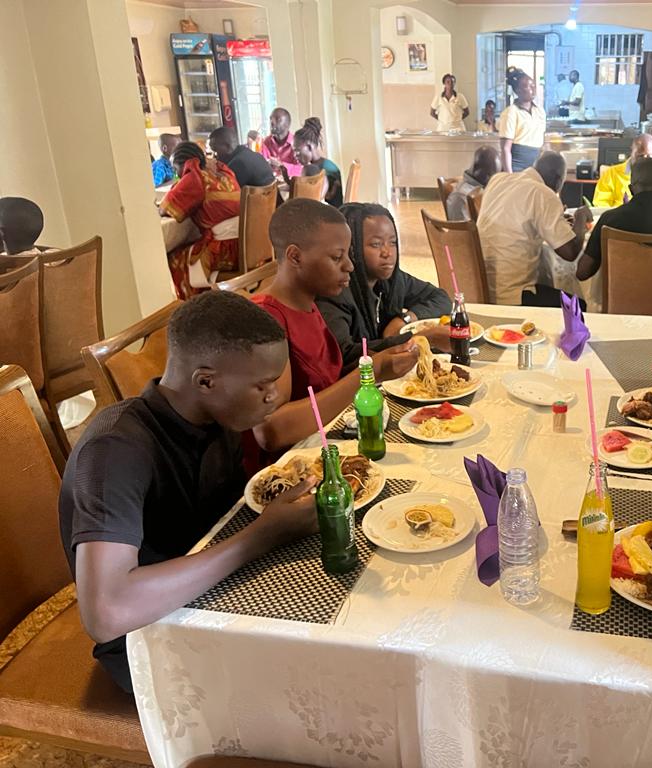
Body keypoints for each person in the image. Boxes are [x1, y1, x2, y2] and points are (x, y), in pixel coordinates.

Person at [59, 291, 319, 692]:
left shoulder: (217, 419)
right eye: (263, 386)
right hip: (146, 638)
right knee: (310, 684)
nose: (275, 396)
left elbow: (227, 520)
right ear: (206, 381)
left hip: (208, 591)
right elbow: (105, 612)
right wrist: (263, 535)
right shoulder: (116, 449)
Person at [249, 199, 418, 462]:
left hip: (325, 444)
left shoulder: (308, 304)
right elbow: (271, 431)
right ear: (295, 256)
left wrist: (386, 363)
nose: (350, 266)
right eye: (337, 257)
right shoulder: (265, 319)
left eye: (349, 255)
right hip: (290, 471)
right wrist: (369, 373)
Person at [317, 203, 451, 367]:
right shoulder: (337, 291)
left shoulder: (392, 280)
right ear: (352, 248)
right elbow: (345, 353)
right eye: (376, 244)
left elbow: (440, 298)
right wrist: (421, 338)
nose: (387, 252)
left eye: (393, 242)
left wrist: (404, 319)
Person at [477, 151, 592, 306]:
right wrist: (580, 219)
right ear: (558, 180)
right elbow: (570, 252)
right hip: (513, 295)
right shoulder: (543, 193)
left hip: (480, 287)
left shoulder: (497, 180)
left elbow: (515, 217)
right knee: (579, 306)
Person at [159, 141, 241, 299]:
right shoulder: (222, 171)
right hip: (243, 244)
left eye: (176, 170)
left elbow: (165, 208)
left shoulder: (195, 176)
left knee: (175, 258)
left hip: (224, 250)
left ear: (183, 164)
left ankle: (194, 305)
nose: (178, 175)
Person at [592, 134, 652, 208]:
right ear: (632, 151)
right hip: (619, 223)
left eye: (649, 156)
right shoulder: (611, 173)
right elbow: (600, 204)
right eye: (640, 156)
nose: (644, 160)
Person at [498, 68, 546, 172]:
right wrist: (509, 175)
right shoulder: (510, 112)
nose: (533, 89)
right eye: (528, 86)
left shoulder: (540, 111)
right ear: (518, 90)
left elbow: (542, 142)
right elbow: (506, 149)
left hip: (535, 165)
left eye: (533, 85)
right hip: (517, 165)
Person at [293, 117, 343, 208]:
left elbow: (316, 198)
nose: (295, 155)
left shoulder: (322, 169)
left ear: (309, 147)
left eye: (297, 151)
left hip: (331, 214)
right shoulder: (321, 164)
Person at [208, 126, 275, 189]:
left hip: (252, 201)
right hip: (270, 200)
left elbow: (224, 192)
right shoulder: (254, 155)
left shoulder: (237, 164)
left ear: (227, 146)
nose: (215, 156)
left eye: (215, 150)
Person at [446, 145, 502, 221]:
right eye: (490, 175)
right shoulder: (462, 197)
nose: (493, 180)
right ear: (476, 169)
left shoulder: (474, 187)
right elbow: (462, 231)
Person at [260, 107, 304, 180]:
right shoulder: (266, 142)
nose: (272, 122)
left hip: (291, 186)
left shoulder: (297, 144)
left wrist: (281, 166)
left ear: (287, 124)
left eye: (277, 119)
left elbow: (301, 169)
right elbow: (261, 165)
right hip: (271, 186)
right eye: (271, 119)